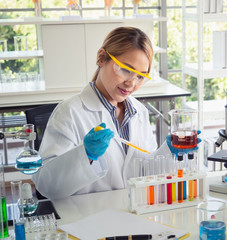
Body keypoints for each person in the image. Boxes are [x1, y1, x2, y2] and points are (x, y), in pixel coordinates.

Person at [32, 26, 199, 200]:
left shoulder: (139, 112)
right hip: (86, 219)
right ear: (101, 58)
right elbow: (46, 185)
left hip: (131, 213)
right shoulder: (70, 112)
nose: (131, 84)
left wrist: (167, 152)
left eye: (140, 76)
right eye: (126, 70)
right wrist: (85, 156)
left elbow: (142, 171)